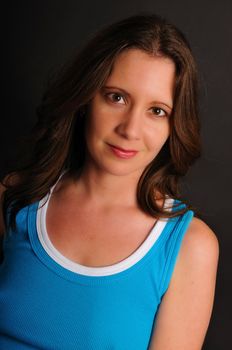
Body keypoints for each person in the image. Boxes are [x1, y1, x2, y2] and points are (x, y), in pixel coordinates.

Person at [0, 13, 219, 350]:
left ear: (175, 126)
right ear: (86, 98)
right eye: (117, 97)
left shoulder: (189, 246)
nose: (130, 129)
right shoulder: (14, 197)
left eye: (157, 110)